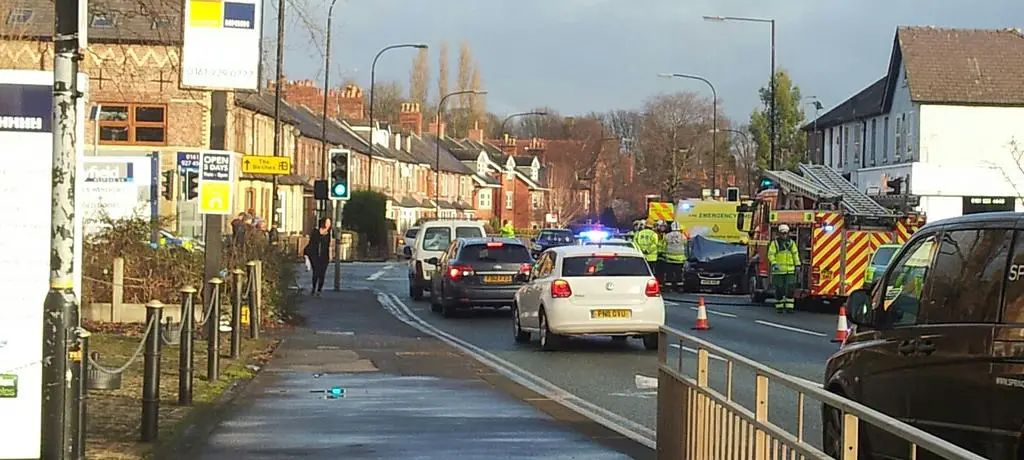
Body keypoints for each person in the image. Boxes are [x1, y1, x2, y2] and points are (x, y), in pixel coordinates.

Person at [768, 224, 800, 313]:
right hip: (778, 271)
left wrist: (797, 265)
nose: (784, 235)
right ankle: (780, 307)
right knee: (779, 289)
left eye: (786, 233)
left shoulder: (791, 243)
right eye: (782, 233)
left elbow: (795, 254)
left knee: (790, 289)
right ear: (779, 233)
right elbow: (771, 254)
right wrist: (774, 263)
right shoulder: (775, 243)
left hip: (790, 271)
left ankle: (789, 308)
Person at [304, 217, 332, 296]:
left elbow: (328, 245)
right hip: (315, 256)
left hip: (324, 256)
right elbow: (311, 243)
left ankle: (319, 290)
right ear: (322, 223)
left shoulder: (328, 233)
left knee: (322, 274)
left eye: (329, 223)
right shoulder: (316, 232)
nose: (328, 225)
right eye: (327, 223)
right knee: (316, 272)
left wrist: (330, 255)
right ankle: (313, 288)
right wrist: (307, 254)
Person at [662, 222, 688, 292]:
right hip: (679, 259)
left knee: (669, 273)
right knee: (679, 273)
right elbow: (685, 245)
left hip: (669, 258)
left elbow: (664, 246)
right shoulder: (683, 236)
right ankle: (680, 287)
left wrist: (664, 254)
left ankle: (668, 287)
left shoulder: (667, 236)